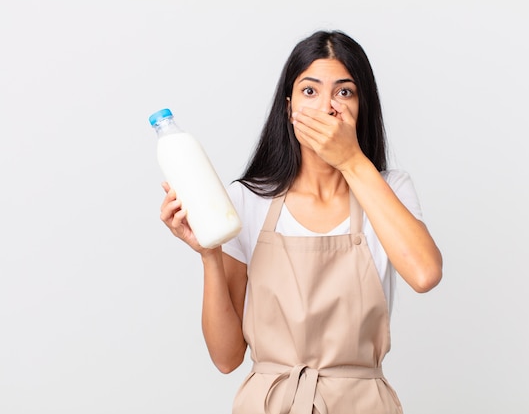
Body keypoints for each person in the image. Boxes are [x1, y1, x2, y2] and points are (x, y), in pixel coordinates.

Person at [160, 30, 443, 414]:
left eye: (344, 92)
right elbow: (226, 358)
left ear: (363, 107)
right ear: (288, 105)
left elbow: (425, 274)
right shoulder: (247, 199)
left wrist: (350, 160)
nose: (328, 106)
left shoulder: (389, 189)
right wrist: (209, 255)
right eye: (310, 91)